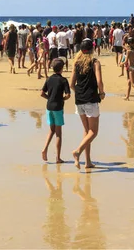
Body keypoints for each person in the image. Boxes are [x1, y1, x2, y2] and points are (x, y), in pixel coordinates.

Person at [71, 39, 105, 170]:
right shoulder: (95, 62)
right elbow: (99, 81)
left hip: (79, 99)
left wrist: (80, 92)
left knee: (87, 131)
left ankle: (88, 161)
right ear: (92, 49)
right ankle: (77, 151)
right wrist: (101, 93)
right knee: (94, 132)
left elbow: (71, 84)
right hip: (91, 99)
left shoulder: (76, 63)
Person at [40, 58, 70, 163]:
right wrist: (62, 99)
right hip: (58, 108)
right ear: (62, 69)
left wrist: (50, 98)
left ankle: (45, 148)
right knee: (58, 133)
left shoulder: (49, 79)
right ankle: (58, 157)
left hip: (49, 107)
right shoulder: (63, 80)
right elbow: (68, 95)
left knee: (51, 130)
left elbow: (42, 93)